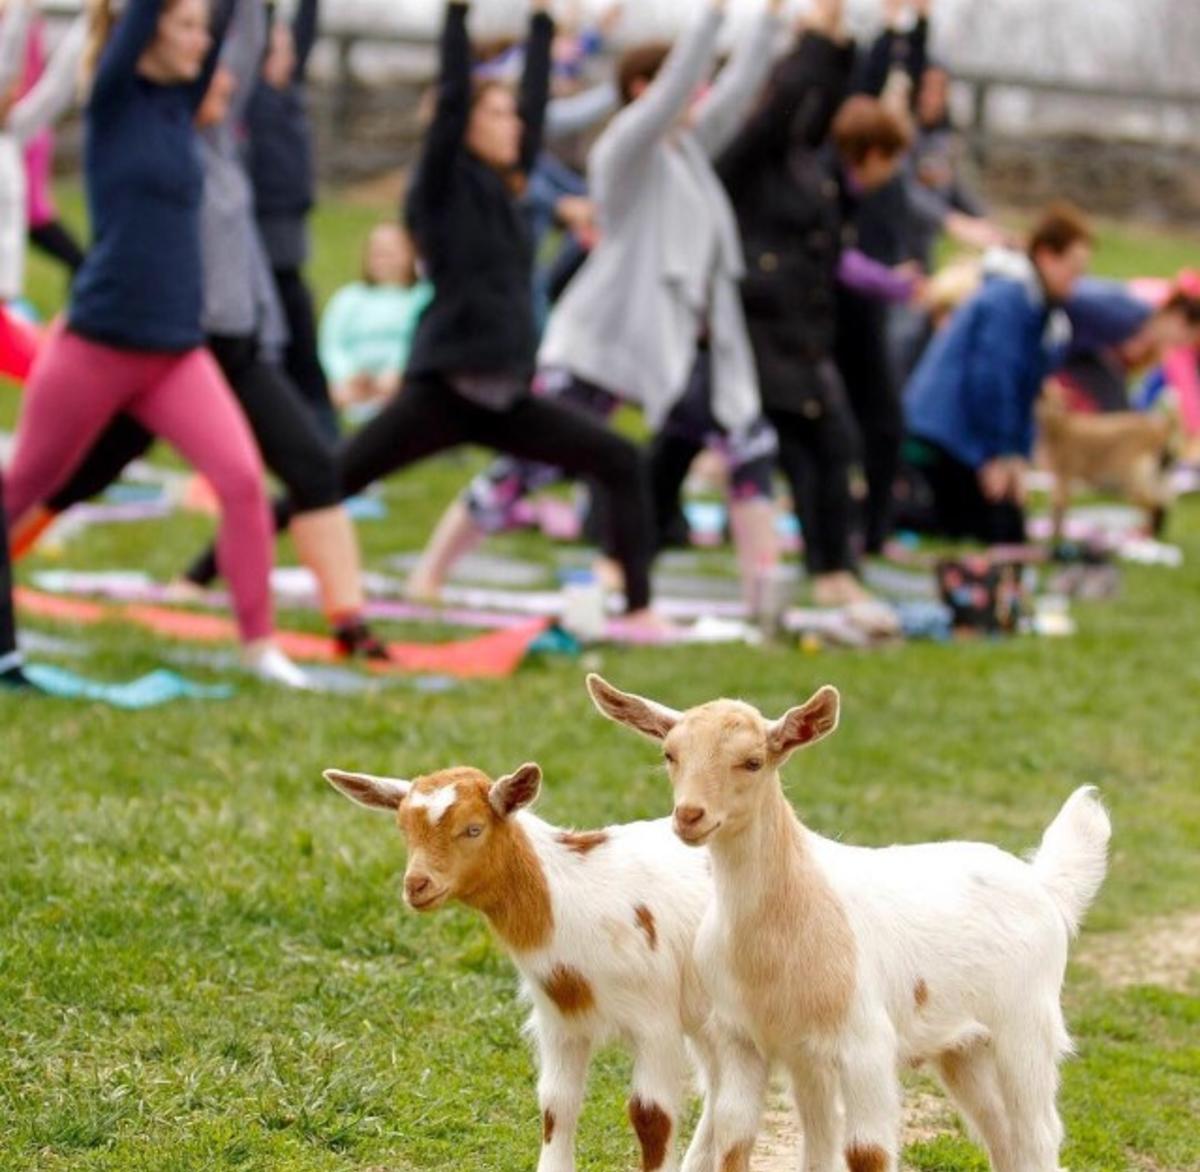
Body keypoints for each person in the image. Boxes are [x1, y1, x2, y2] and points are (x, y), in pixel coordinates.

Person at [18, 0, 387, 660]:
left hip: (177, 350)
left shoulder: (193, 115)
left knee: (243, 484)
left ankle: (261, 650)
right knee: (31, 484)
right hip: (101, 340)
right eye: (184, 27)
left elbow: (231, 35)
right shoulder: (115, 100)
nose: (202, 45)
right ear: (148, 33)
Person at [317, 0, 660, 626]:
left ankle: (638, 613)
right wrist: (455, 16)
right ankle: (201, 574)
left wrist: (540, 21)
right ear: (466, 124)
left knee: (622, 460)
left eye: (512, 115)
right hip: (444, 389)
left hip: (507, 398)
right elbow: (452, 98)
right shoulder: (442, 185)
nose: (513, 125)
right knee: (328, 481)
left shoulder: (514, 189)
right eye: (496, 114)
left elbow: (530, 113)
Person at [716, 0, 915, 607]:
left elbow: (835, 102)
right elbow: (788, 100)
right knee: (805, 450)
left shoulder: (807, 168)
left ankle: (836, 570)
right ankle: (829, 572)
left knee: (828, 447)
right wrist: (809, 37)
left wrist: (837, 35)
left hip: (801, 331)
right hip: (761, 329)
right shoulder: (748, 160)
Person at [903, 202, 1094, 544]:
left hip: (970, 436)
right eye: (1073, 269)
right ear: (1047, 256)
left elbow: (1025, 391)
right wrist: (996, 456)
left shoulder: (1040, 309)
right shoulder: (1009, 300)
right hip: (942, 434)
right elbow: (991, 382)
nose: (1076, 283)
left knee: (1008, 528)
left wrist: (1017, 458)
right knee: (983, 527)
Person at [245, 0, 336, 439]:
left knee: (297, 339)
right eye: (279, 46)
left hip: (289, 238)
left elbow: (307, 26)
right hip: (260, 237)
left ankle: (319, 436)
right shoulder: (251, 97)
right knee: (282, 341)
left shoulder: (289, 91)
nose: (291, 53)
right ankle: (313, 436)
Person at [318, 223, 433, 411]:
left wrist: (397, 371)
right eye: (378, 253)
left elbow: (422, 341)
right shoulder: (349, 298)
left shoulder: (422, 298)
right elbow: (332, 343)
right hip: (355, 382)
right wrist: (347, 374)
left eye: (391, 253)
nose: (383, 260)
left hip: (402, 379)